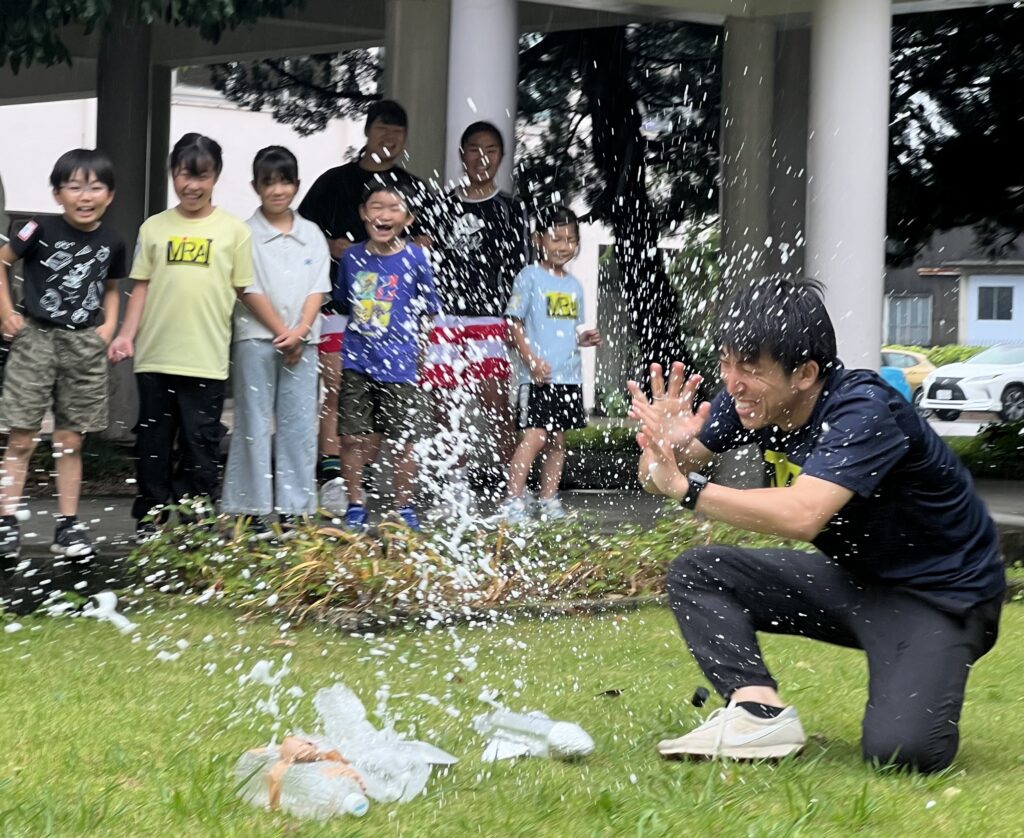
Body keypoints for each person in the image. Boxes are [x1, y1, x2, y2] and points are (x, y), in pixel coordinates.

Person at [630, 277, 1004, 773]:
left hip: (942, 598)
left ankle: (919, 665)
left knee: (902, 754)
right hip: (858, 585)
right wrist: (666, 449)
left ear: (804, 373)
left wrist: (687, 488)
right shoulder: (746, 402)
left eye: (749, 368)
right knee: (699, 572)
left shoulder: (864, 409)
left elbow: (803, 515)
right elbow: (661, 478)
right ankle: (758, 712)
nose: (732, 381)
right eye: (725, 362)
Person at [108, 133, 254, 541]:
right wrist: (126, 335)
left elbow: (245, 291)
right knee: (153, 445)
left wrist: (282, 329)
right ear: (173, 174)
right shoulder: (154, 228)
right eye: (183, 175)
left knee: (200, 443)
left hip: (205, 359)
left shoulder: (234, 231)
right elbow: (141, 286)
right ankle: (150, 519)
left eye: (201, 176)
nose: (192, 185)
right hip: (155, 358)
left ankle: (197, 519)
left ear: (216, 176)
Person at [298, 100, 429, 516]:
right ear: (368, 131)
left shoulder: (413, 186)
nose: (389, 138)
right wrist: (330, 246)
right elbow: (303, 232)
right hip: (340, 309)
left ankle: (366, 480)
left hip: (396, 325)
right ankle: (334, 477)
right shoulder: (334, 182)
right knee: (338, 390)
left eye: (398, 132)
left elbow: (427, 244)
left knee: (388, 412)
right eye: (383, 129)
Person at [0, 149, 127, 567]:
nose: (84, 195)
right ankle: (6, 523)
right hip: (36, 338)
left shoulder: (113, 241)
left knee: (70, 440)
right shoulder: (36, 228)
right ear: (58, 194)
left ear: (109, 195)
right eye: (74, 187)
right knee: (21, 437)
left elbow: (110, 286)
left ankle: (68, 525)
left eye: (95, 187)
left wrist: (108, 327)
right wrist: (6, 311)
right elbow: (1, 262)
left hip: (83, 345)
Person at [221, 146, 330, 538]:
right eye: (269, 183)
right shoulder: (243, 233)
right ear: (255, 187)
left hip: (305, 342)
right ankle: (248, 509)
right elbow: (245, 287)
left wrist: (299, 331)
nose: (277, 190)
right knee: (252, 421)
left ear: (297, 185)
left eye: (284, 182)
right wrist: (281, 332)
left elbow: (319, 287)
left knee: (299, 425)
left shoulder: (312, 233)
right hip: (255, 339)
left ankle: (294, 509)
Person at [423, 121, 529, 507]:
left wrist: (512, 324)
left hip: (489, 320)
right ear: (461, 155)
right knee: (445, 405)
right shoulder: (441, 205)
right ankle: (455, 481)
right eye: (473, 149)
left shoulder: (511, 208)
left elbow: (520, 272)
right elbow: (425, 260)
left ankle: (513, 487)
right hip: (446, 319)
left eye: (490, 150)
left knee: (496, 404)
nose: (481, 157)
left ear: (501, 158)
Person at [336, 182, 440, 533]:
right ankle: (355, 504)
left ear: (408, 218)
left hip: (401, 364)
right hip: (358, 360)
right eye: (376, 207)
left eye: (394, 208)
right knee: (352, 436)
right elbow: (342, 304)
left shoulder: (416, 258)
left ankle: (404, 508)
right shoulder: (351, 258)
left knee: (404, 439)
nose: (384, 215)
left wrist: (421, 355)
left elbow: (427, 312)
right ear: (364, 214)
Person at [498, 206, 601, 524]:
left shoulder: (575, 285)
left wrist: (585, 340)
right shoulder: (529, 276)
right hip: (538, 377)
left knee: (557, 442)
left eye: (570, 239)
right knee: (534, 437)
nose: (563, 246)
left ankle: (548, 500)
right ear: (539, 240)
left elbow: (572, 329)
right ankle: (513, 500)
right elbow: (513, 323)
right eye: (556, 238)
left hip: (568, 377)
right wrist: (530, 360)